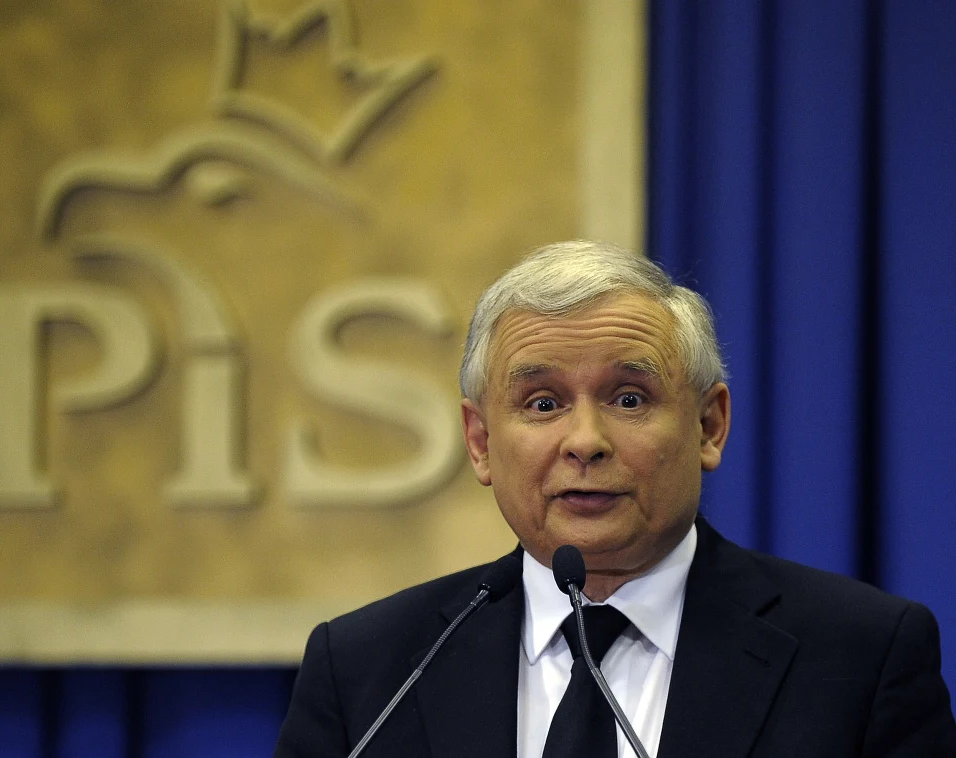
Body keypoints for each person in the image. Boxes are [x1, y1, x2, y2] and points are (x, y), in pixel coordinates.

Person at [273, 241, 956, 757]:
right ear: (480, 442)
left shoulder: (861, 658)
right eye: (543, 403)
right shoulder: (367, 671)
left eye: (629, 399)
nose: (585, 442)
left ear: (708, 426)